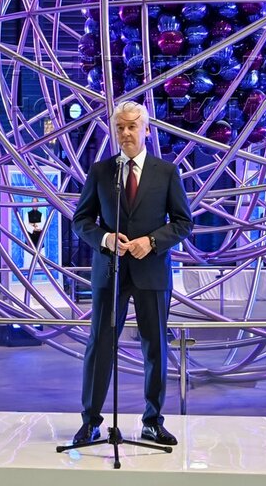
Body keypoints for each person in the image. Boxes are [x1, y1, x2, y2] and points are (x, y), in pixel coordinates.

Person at [71, 101, 193, 446]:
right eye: (120, 127)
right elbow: (81, 220)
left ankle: (153, 421)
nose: (125, 133)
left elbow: (183, 223)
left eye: (132, 127)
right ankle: (91, 422)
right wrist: (105, 239)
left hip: (152, 272)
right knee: (100, 345)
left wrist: (151, 242)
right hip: (109, 273)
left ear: (146, 130)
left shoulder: (166, 172)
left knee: (155, 347)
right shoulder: (101, 172)